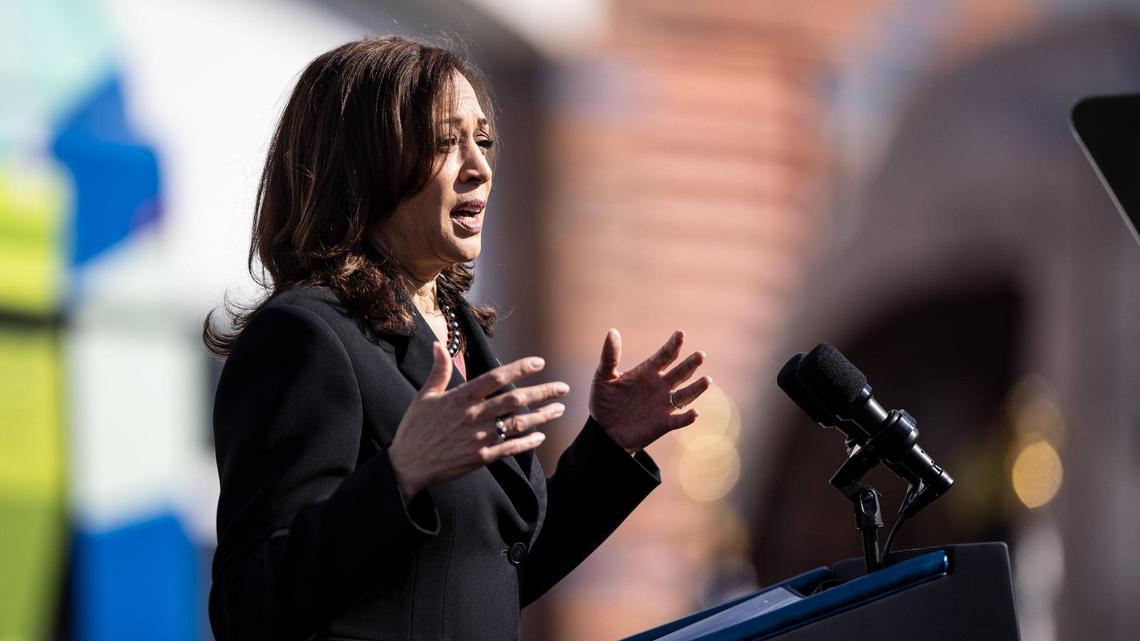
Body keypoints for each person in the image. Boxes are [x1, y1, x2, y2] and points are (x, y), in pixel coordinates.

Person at [204, 35, 711, 641]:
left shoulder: (455, 329)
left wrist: (609, 447)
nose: (480, 167)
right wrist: (400, 475)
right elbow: (249, 609)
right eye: (446, 142)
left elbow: (492, 570)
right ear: (364, 162)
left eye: (483, 141)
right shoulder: (305, 338)